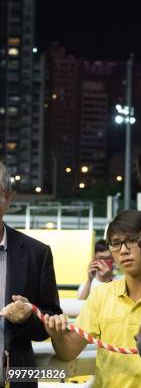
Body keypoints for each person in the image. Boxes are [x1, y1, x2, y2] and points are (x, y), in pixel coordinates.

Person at [42, 210, 141, 388]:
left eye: (132, 240)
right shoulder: (101, 295)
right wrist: (56, 334)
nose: (124, 251)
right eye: (116, 243)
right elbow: (69, 352)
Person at [0, 162, 62, 387]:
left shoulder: (37, 253)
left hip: (17, 377)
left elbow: (51, 317)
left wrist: (28, 317)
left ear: (8, 198)